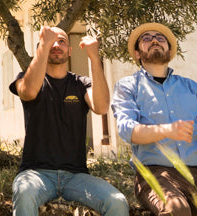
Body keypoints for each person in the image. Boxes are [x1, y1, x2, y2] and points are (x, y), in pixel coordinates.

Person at [111, 22, 197, 216]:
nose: (155, 40)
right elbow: (127, 130)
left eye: (160, 38)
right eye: (146, 38)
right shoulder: (128, 87)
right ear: (137, 54)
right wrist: (167, 130)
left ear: (170, 50)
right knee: (176, 209)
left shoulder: (192, 87)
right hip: (154, 174)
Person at [10, 26, 129, 216]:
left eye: (62, 41)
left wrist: (94, 58)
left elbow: (101, 107)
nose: (56, 45)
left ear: (70, 51)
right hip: (36, 173)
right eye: (51, 41)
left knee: (117, 202)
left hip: (76, 177)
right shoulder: (27, 78)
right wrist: (44, 43)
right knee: (24, 194)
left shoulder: (81, 84)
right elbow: (28, 91)